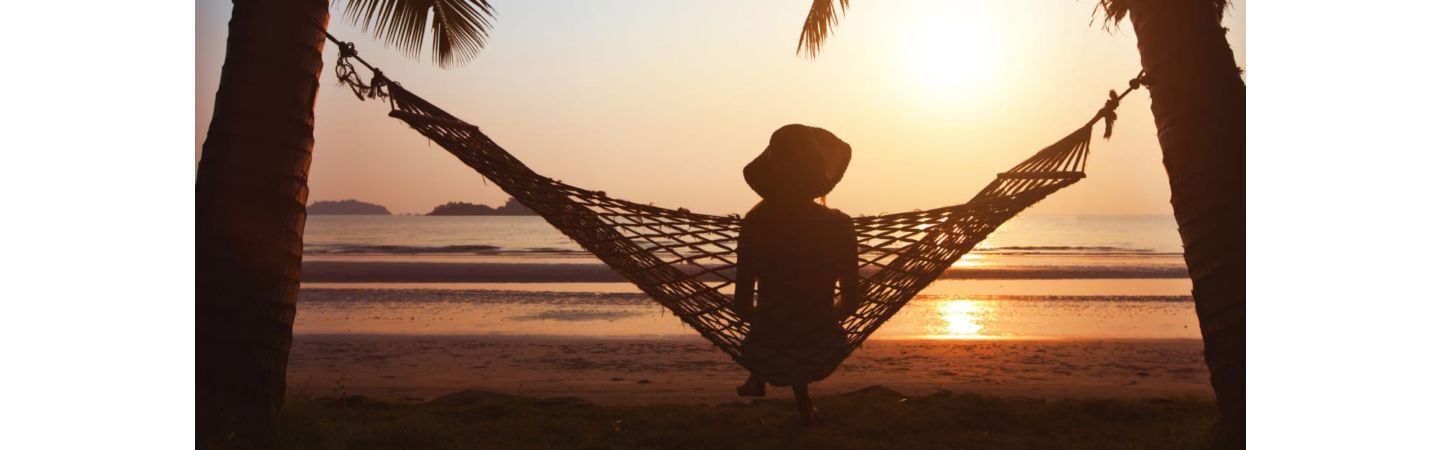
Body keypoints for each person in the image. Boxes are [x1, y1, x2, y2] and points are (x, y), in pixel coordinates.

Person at [732, 124, 860, 425]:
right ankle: (802, 404)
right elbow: (852, 301)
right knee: (797, 321)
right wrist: (822, 315)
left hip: (763, 350)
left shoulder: (755, 225)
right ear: (817, 173)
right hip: (823, 345)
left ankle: (758, 378)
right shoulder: (840, 226)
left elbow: (741, 305)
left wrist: (773, 318)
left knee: (778, 321)